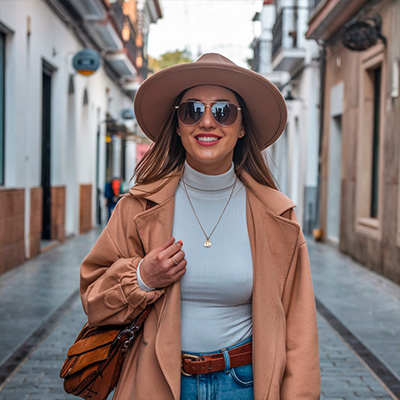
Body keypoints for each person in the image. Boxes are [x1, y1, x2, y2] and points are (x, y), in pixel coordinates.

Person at [80, 53, 321, 400]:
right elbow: (94, 299)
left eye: (224, 111)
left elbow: (300, 330)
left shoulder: (276, 216)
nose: (207, 122)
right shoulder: (137, 209)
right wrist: (142, 277)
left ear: (241, 128)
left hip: (245, 386)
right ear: (178, 125)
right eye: (192, 110)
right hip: (156, 383)